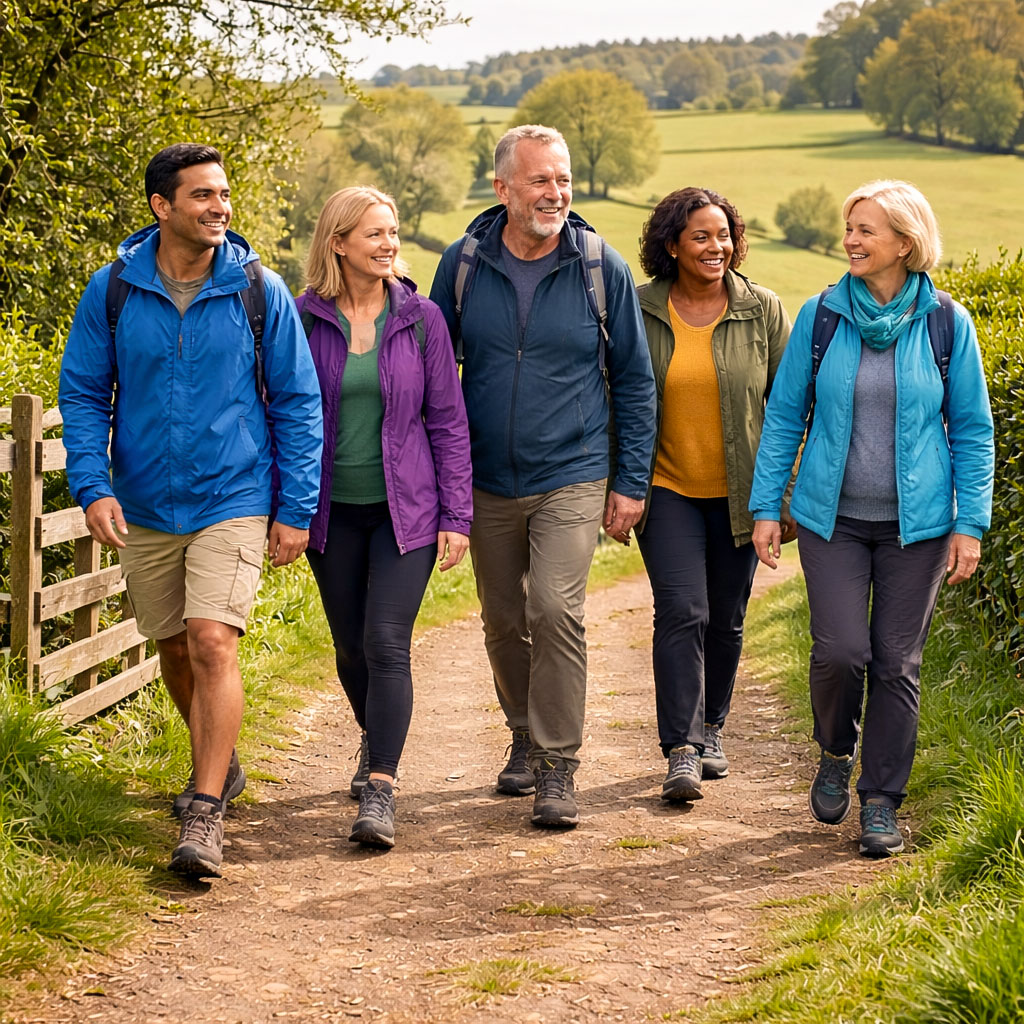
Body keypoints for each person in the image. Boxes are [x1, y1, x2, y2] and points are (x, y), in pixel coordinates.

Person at [59, 143, 323, 879]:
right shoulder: (111, 291)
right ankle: (222, 761)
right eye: (202, 195)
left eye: (224, 194)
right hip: (143, 501)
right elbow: (82, 395)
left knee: (212, 640)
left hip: (233, 493)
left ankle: (205, 811)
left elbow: (299, 402)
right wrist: (93, 484)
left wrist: (294, 506)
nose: (219, 208)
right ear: (161, 207)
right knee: (173, 648)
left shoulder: (255, 289)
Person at [749, 180, 994, 857]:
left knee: (896, 663)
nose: (850, 239)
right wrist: (768, 506)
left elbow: (973, 429)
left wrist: (969, 522)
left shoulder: (948, 322)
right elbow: (784, 416)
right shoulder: (821, 316)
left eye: (865, 229)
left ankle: (882, 800)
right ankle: (835, 750)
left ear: (905, 243)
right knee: (840, 652)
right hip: (834, 519)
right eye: (848, 227)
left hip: (917, 528)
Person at [430, 124, 656, 830]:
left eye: (562, 179)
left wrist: (630, 481)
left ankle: (559, 766)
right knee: (503, 620)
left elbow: (636, 381)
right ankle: (524, 735)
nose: (555, 192)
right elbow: (435, 377)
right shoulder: (463, 264)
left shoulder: (598, 266)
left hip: (573, 469)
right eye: (539, 180)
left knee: (554, 608)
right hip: (486, 477)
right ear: (503, 190)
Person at [296, 186, 472, 849]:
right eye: (374, 233)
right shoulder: (302, 319)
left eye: (393, 232)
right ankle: (375, 731)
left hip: (408, 515)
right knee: (349, 646)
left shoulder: (422, 319)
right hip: (330, 514)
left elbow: (448, 421)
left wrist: (458, 513)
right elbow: (282, 412)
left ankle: (381, 786)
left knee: (385, 641)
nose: (389, 244)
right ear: (337, 241)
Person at [634, 188, 792, 804]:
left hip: (742, 492)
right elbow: (618, 394)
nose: (715, 247)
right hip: (666, 486)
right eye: (700, 236)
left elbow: (788, 409)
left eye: (723, 235)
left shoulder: (763, 310)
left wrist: (779, 501)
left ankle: (712, 727)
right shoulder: (641, 308)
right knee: (682, 611)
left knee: (725, 619)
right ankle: (680, 749)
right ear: (671, 244)